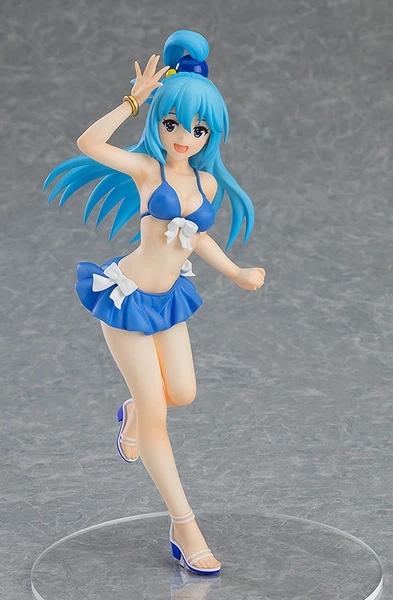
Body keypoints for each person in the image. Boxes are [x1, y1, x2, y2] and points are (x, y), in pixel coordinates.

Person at [44, 29, 265, 575]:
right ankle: (185, 528)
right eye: (172, 124)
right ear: (159, 124)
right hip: (126, 300)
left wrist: (235, 271)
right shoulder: (148, 170)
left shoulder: (206, 183)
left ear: (211, 133)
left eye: (197, 128)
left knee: (182, 393)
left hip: (168, 302)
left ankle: (133, 412)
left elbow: (197, 237)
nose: (184, 137)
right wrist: (133, 100)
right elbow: (88, 144)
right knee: (160, 417)